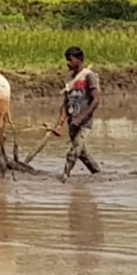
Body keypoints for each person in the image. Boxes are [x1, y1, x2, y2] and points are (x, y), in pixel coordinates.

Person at [59, 45, 101, 177]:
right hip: (72, 122)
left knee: (73, 152)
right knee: (82, 153)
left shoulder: (89, 76)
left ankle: (65, 176)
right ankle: (97, 173)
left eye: (70, 59)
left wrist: (80, 118)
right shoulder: (70, 80)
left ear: (79, 59)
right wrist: (62, 119)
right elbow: (66, 102)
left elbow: (95, 100)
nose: (68, 63)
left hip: (84, 122)